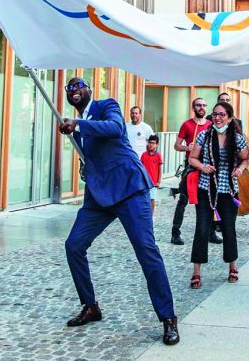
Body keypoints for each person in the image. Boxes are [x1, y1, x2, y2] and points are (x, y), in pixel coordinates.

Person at [59, 76, 179, 345]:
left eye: (79, 85)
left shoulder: (107, 106)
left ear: (89, 90)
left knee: (146, 250)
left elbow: (114, 128)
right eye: (69, 88)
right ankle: (91, 306)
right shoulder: (78, 128)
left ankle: (168, 317)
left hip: (129, 189)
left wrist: (78, 124)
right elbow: (97, 155)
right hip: (99, 195)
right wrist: (86, 166)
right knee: (74, 245)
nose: (74, 89)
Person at [187, 101, 249, 288]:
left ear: (229, 118)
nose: (218, 118)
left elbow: (245, 159)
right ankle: (196, 271)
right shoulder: (204, 136)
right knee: (202, 228)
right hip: (206, 188)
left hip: (227, 189)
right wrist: (202, 166)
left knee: (229, 229)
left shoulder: (237, 139)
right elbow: (192, 158)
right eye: (215, 114)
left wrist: (240, 169)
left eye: (222, 114)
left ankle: (232, 266)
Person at [171, 97, 215, 246]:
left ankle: (211, 232)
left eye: (203, 105)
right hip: (191, 166)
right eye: (198, 105)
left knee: (211, 199)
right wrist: (186, 147)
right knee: (183, 198)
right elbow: (177, 145)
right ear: (193, 108)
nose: (201, 108)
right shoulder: (187, 125)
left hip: (207, 167)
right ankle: (175, 232)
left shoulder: (211, 125)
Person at [141, 135, 162, 213]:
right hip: (144, 181)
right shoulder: (144, 155)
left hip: (153, 182)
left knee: (152, 199)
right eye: (149, 142)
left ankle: (151, 216)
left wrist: (158, 181)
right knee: (143, 198)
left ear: (157, 145)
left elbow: (160, 169)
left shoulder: (158, 155)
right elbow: (141, 167)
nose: (151, 144)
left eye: (153, 143)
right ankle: (144, 214)